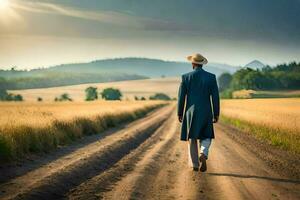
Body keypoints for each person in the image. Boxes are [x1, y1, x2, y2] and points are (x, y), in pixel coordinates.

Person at [177, 53, 220, 172]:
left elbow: (181, 97)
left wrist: (180, 113)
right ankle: (203, 152)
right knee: (206, 135)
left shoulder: (185, 77)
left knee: (192, 137)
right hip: (206, 111)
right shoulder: (211, 77)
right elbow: (215, 97)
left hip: (191, 112)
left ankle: (195, 164)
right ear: (202, 64)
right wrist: (216, 113)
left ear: (193, 63)